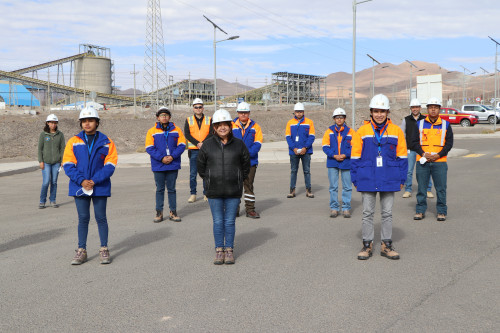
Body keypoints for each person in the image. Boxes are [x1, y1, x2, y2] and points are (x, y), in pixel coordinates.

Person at [351, 94, 408, 260]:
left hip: (389, 178)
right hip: (367, 177)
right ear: (371, 112)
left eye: (382, 111)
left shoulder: (396, 131)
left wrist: (402, 179)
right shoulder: (361, 132)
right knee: (367, 213)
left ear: (388, 112)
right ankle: (367, 245)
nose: (379, 114)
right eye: (376, 111)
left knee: (387, 213)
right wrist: (355, 178)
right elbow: (354, 157)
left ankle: (386, 245)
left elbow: (403, 157)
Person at [62, 106, 118, 265]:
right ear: (80, 123)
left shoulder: (107, 142)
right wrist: (81, 181)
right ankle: (81, 250)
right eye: (84, 121)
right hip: (79, 186)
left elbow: (110, 165)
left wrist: (94, 180)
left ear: (97, 122)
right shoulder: (73, 141)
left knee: (101, 218)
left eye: (91, 120)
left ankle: (104, 248)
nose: (87, 124)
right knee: (83, 218)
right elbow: (67, 164)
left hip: (99, 186)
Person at [197, 109, 250, 265]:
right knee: (218, 221)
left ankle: (229, 250)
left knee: (229, 222)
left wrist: (239, 178)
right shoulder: (207, 145)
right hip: (214, 190)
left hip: (233, 190)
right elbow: (201, 167)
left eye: (225, 124)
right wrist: (209, 180)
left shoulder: (239, 145)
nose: (222, 128)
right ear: (214, 127)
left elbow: (246, 165)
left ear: (229, 125)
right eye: (218, 125)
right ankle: (219, 250)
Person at [411, 97, 453, 222]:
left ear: (439, 109)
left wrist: (438, 155)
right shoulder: (419, 124)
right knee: (422, 188)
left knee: (441, 188)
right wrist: (423, 154)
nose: (433, 109)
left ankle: (441, 211)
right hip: (422, 161)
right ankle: (420, 210)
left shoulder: (446, 124)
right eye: (430, 107)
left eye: (435, 107)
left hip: (439, 162)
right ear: (427, 109)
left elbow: (449, 143)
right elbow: (413, 142)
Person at [146, 106, 186, 223]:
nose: (164, 117)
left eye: (166, 115)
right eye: (162, 115)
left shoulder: (176, 130)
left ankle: (173, 212)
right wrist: (161, 158)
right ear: (158, 117)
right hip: (158, 165)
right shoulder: (152, 131)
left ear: (169, 117)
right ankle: (159, 213)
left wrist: (172, 156)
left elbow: (182, 145)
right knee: (160, 189)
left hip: (173, 164)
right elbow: (149, 147)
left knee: (172, 189)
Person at [322, 108, 356, 218]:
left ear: (345, 118)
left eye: (341, 117)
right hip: (333, 161)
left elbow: (354, 146)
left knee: (347, 186)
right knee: (333, 186)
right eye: (337, 117)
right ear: (334, 119)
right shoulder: (329, 131)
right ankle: (334, 208)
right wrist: (334, 155)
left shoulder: (351, 131)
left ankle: (346, 208)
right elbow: (325, 146)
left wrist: (345, 155)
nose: (339, 119)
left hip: (346, 161)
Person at [232, 102, 263, 218]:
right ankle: (234, 210)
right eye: (241, 112)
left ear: (249, 113)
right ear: (238, 113)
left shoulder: (255, 127)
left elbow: (258, 143)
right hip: (234, 162)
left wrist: (245, 154)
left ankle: (250, 210)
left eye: (245, 112)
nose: (243, 114)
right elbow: (227, 142)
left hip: (250, 162)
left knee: (248, 186)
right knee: (235, 186)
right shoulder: (231, 126)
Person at [401, 98, 433, 198]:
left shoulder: (425, 119)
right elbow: (402, 135)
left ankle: (428, 189)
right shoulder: (406, 120)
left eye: (416, 107)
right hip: (410, 150)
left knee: (426, 170)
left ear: (420, 108)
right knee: (409, 171)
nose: (415, 109)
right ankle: (408, 190)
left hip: (423, 150)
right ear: (410, 108)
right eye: (413, 107)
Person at [285, 102, 316, 198]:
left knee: (307, 171)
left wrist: (305, 147)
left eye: (300, 111)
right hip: (293, 151)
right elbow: (288, 137)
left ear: (303, 112)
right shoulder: (290, 123)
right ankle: (292, 190)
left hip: (306, 151)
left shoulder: (309, 122)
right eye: (297, 112)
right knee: (293, 170)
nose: (299, 113)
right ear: (294, 112)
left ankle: (308, 190)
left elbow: (312, 136)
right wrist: (293, 148)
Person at [184, 98, 211, 203]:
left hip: (206, 150)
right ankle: (193, 194)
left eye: (200, 107)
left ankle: (206, 193)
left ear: (203, 108)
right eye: (196, 107)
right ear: (193, 108)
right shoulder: (188, 120)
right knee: (192, 174)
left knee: (206, 173)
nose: (198, 109)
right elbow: (187, 134)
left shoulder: (209, 119)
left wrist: (203, 143)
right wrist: (197, 143)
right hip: (194, 150)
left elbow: (212, 132)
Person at [38, 114, 65, 208]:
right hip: (46, 162)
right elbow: (40, 149)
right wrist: (40, 161)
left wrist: (62, 160)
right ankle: (42, 201)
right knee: (46, 182)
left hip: (56, 163)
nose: (53, 124)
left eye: (55, 123)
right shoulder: (43, 134)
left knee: (54, 182)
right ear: (47, 123)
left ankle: (53, 200)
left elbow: (62, 148)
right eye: (51, 123)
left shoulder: (60, 134)